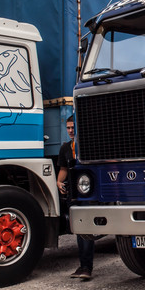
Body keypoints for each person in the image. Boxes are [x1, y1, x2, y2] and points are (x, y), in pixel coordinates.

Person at [57, 116, 94, 281]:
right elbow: (64, 168)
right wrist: (58, 181)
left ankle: (86, 267)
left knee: (85, 230)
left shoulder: (88, 145)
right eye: (68, 128)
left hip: (88, 192)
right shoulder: (65, 148)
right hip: (74, 193)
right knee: (79, 231)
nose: (71, 131)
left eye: (73, 127)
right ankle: (83, 265)